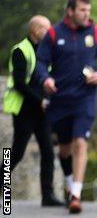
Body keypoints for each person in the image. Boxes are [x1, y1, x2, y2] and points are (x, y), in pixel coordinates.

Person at [36, 0, 97, 214]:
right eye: (82, 10)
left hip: (85, 98)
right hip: (60, 99)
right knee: (64, 150)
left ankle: (76, 194)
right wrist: (46, 79)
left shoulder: (96, 32)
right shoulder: (53, 34)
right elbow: (41, 63)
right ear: (70, 11)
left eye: (89, 11)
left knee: (80, 143)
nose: (87, 15)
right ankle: (70, 186)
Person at [3, 15, 63, 207]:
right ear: (35, 31)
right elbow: (20, 84)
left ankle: (48, 195)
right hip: (24, 109)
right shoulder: (21, 50)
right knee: (16, 152)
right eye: (46, 28)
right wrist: (40, 101)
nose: (50, 31)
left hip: (42, 111)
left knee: (48, 151)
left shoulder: (48, 52)